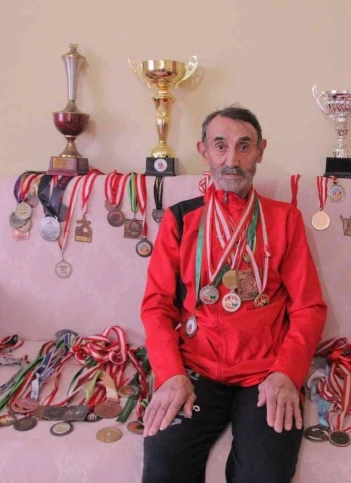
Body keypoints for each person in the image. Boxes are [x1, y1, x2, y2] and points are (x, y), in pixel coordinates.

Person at [140, 106, 328, 483]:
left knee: (264, 474)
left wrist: (286, 373)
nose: (232, 160)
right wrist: (170, 374)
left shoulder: (285, 219)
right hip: (195, 366)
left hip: (264, 371)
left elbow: (309, 308)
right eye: (221, 146)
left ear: (260, 151)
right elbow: (156, 306)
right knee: (164, 467)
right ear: (204, 151)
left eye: (244, 146)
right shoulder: (180, 219)